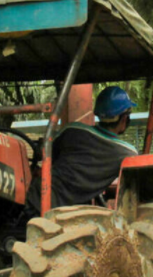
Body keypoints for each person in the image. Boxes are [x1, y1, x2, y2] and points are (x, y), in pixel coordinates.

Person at [26, 86, 138, 214]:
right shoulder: (127, 153)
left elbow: (45, 152)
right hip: (71, 216)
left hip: (36, 201)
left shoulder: (72, 131)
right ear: (124, 119)